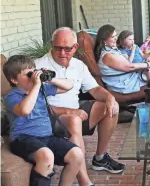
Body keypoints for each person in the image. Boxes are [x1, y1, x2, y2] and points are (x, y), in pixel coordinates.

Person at [35, 27, 125, 186]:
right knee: (74, 121)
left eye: (67, 49)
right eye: (58, 48)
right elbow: (36, 107)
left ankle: (100, 158)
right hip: (50, 119)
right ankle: (85, 181)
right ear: (51, 45)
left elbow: (95, 89)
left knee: (110, 107)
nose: (62, 53)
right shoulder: (39, 67)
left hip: (75, 112)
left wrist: (110, 97)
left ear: (75, 47)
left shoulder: (78, 65)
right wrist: (70, 111)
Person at [3, 55, 83, 186]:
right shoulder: (11, 96)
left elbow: (69, 86)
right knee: (46, 156)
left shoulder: (41, 89)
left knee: (76, 154)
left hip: (46, 137)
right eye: (28, 74)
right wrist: (36, 85)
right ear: (14, 80)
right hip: (23, 139)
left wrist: (50, 79)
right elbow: (24, 110)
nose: (33, 76)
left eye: (33, 71)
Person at [94, 24, 150, 94]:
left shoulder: (110, 50)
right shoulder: (108, 56)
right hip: (124, 84)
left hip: (127, 78)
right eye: (113, 37)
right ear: (104, 41)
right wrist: (148, 64)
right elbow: (129, 67)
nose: (116, 38)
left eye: (116, 35)